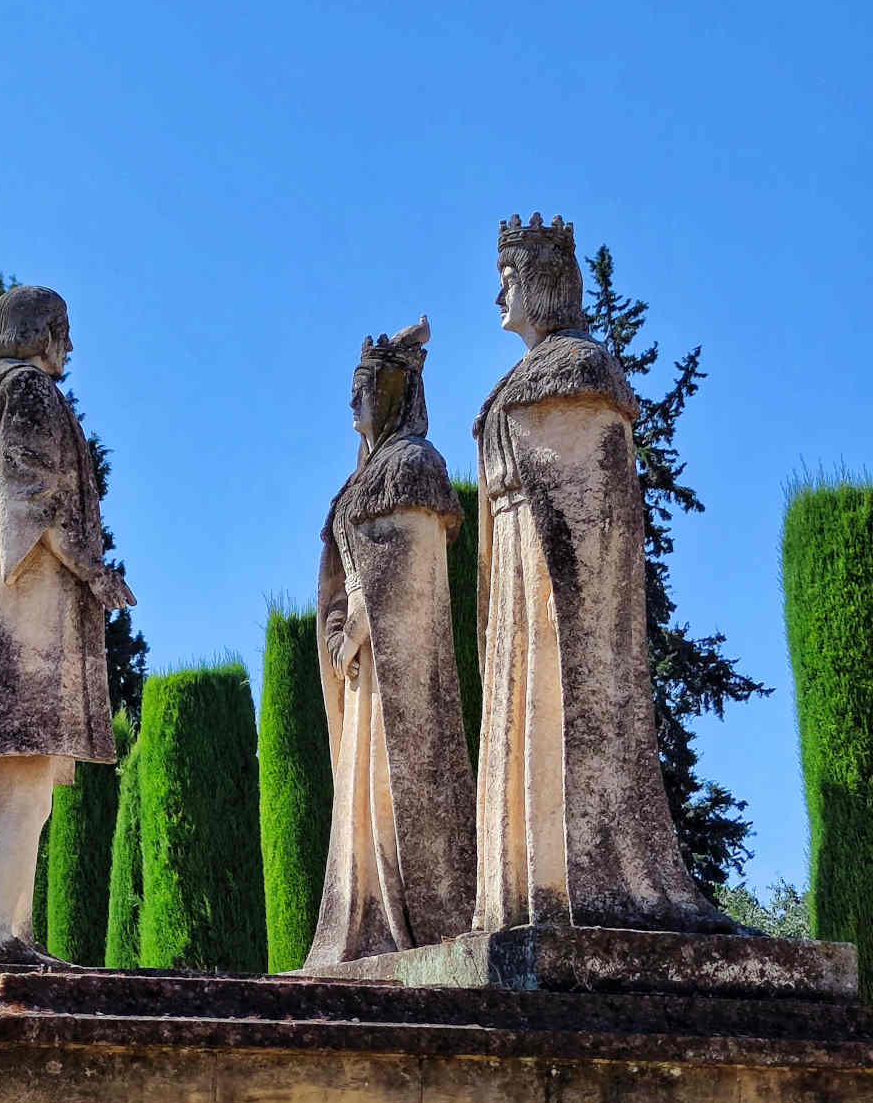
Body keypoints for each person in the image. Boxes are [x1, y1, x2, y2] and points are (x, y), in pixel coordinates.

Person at [473, 213, 733, 934]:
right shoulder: (521, 382)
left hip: (560, 593)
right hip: (519, 574)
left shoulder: (582, 370)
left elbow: (598, 515)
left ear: (544, 283)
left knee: (561, 723)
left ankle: (576, 888)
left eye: (507, 281)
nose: (498, 298)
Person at [0, 285, 136, 965]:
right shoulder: (29, 391)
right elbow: (38, 504)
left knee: (27, 792)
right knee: (27, 790)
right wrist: (94, 572)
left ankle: (8, 933)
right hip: (30, 621)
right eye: (63, 330)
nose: (69, 347)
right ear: (39, 331)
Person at [305, 317, 477, 966]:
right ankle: (367, 918)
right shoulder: (360, 480)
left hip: (395, 664)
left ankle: (407, 917)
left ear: (392, 392)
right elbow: (342, 571)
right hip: (359, 664)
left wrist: (358, 630)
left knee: (393, 784)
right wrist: (335, 632)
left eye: (364, 389)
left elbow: (405, 569)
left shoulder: (414, 465)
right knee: (360, 792)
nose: (354, 403)